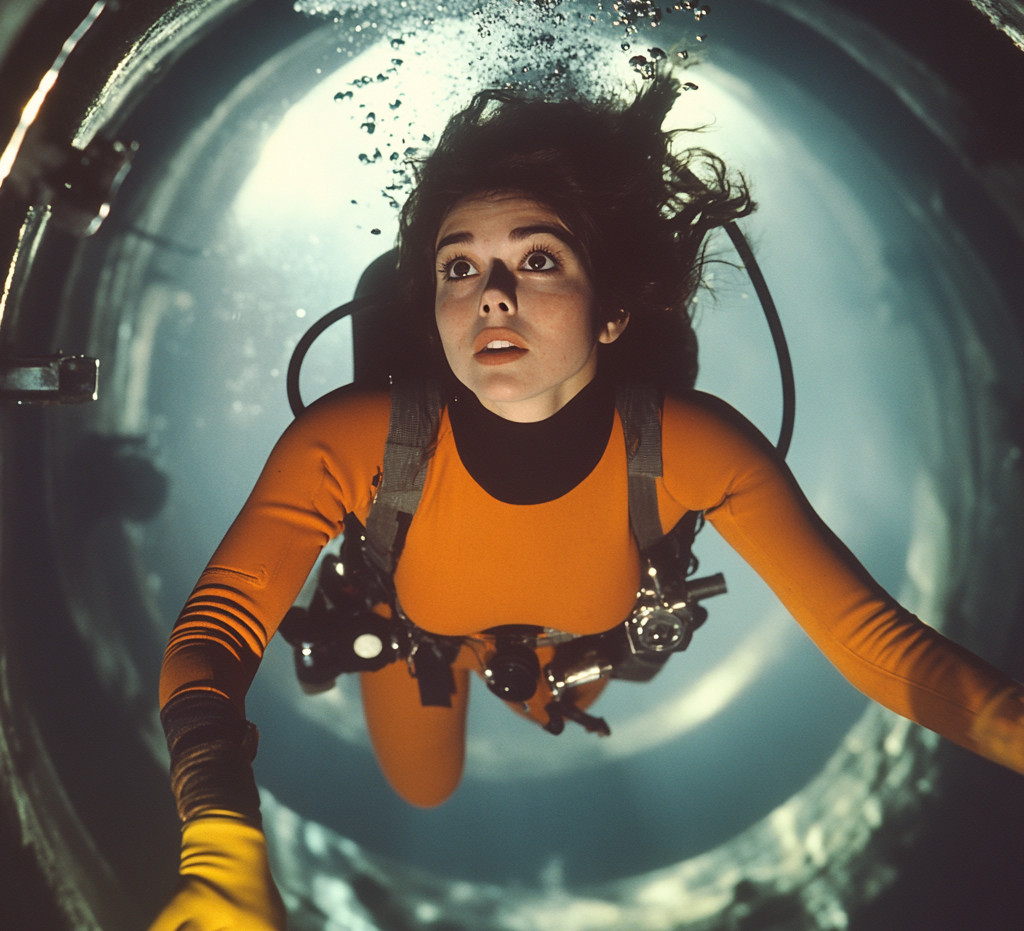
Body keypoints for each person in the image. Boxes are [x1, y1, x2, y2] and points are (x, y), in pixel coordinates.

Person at [149, 74, 1024, 931]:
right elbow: (212, 638)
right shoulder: (347, 443)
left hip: (580, 640)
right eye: (460, 266)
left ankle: (517, 672)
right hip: (416, 635)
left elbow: (874, 643)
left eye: (538, 258)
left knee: (570, 684)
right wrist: (219, 842)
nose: (493, 292)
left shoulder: (692, 447)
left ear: (612, 313)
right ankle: (467, 661)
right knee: (426, 786)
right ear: (434, 311)